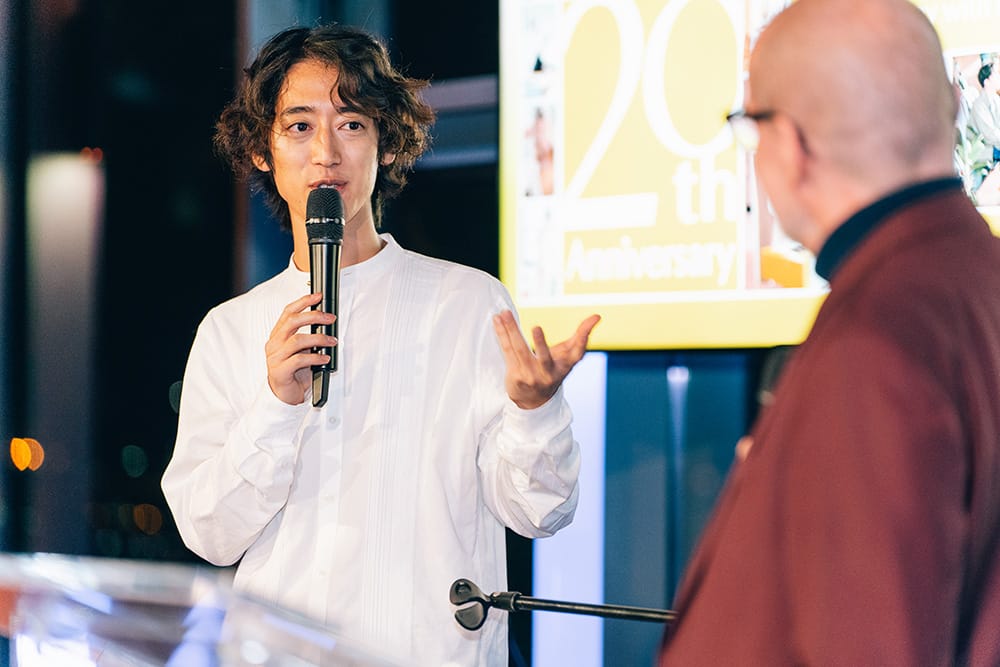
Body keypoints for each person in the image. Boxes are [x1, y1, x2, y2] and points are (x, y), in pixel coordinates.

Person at [160, 24, 600, 667]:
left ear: (387, 145)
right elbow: (210, 534)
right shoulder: (229, 330)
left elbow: (539, 512)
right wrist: (276, 404)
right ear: (263, 150)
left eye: (354, 125)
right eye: (300, 127)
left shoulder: (468, 303)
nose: (327, 154)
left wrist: (536, 410)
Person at [659, 1, 1000, 664]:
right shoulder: (973, 278)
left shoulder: (873, 344)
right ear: (953, 107)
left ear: (788, 143)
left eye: (748, 127)